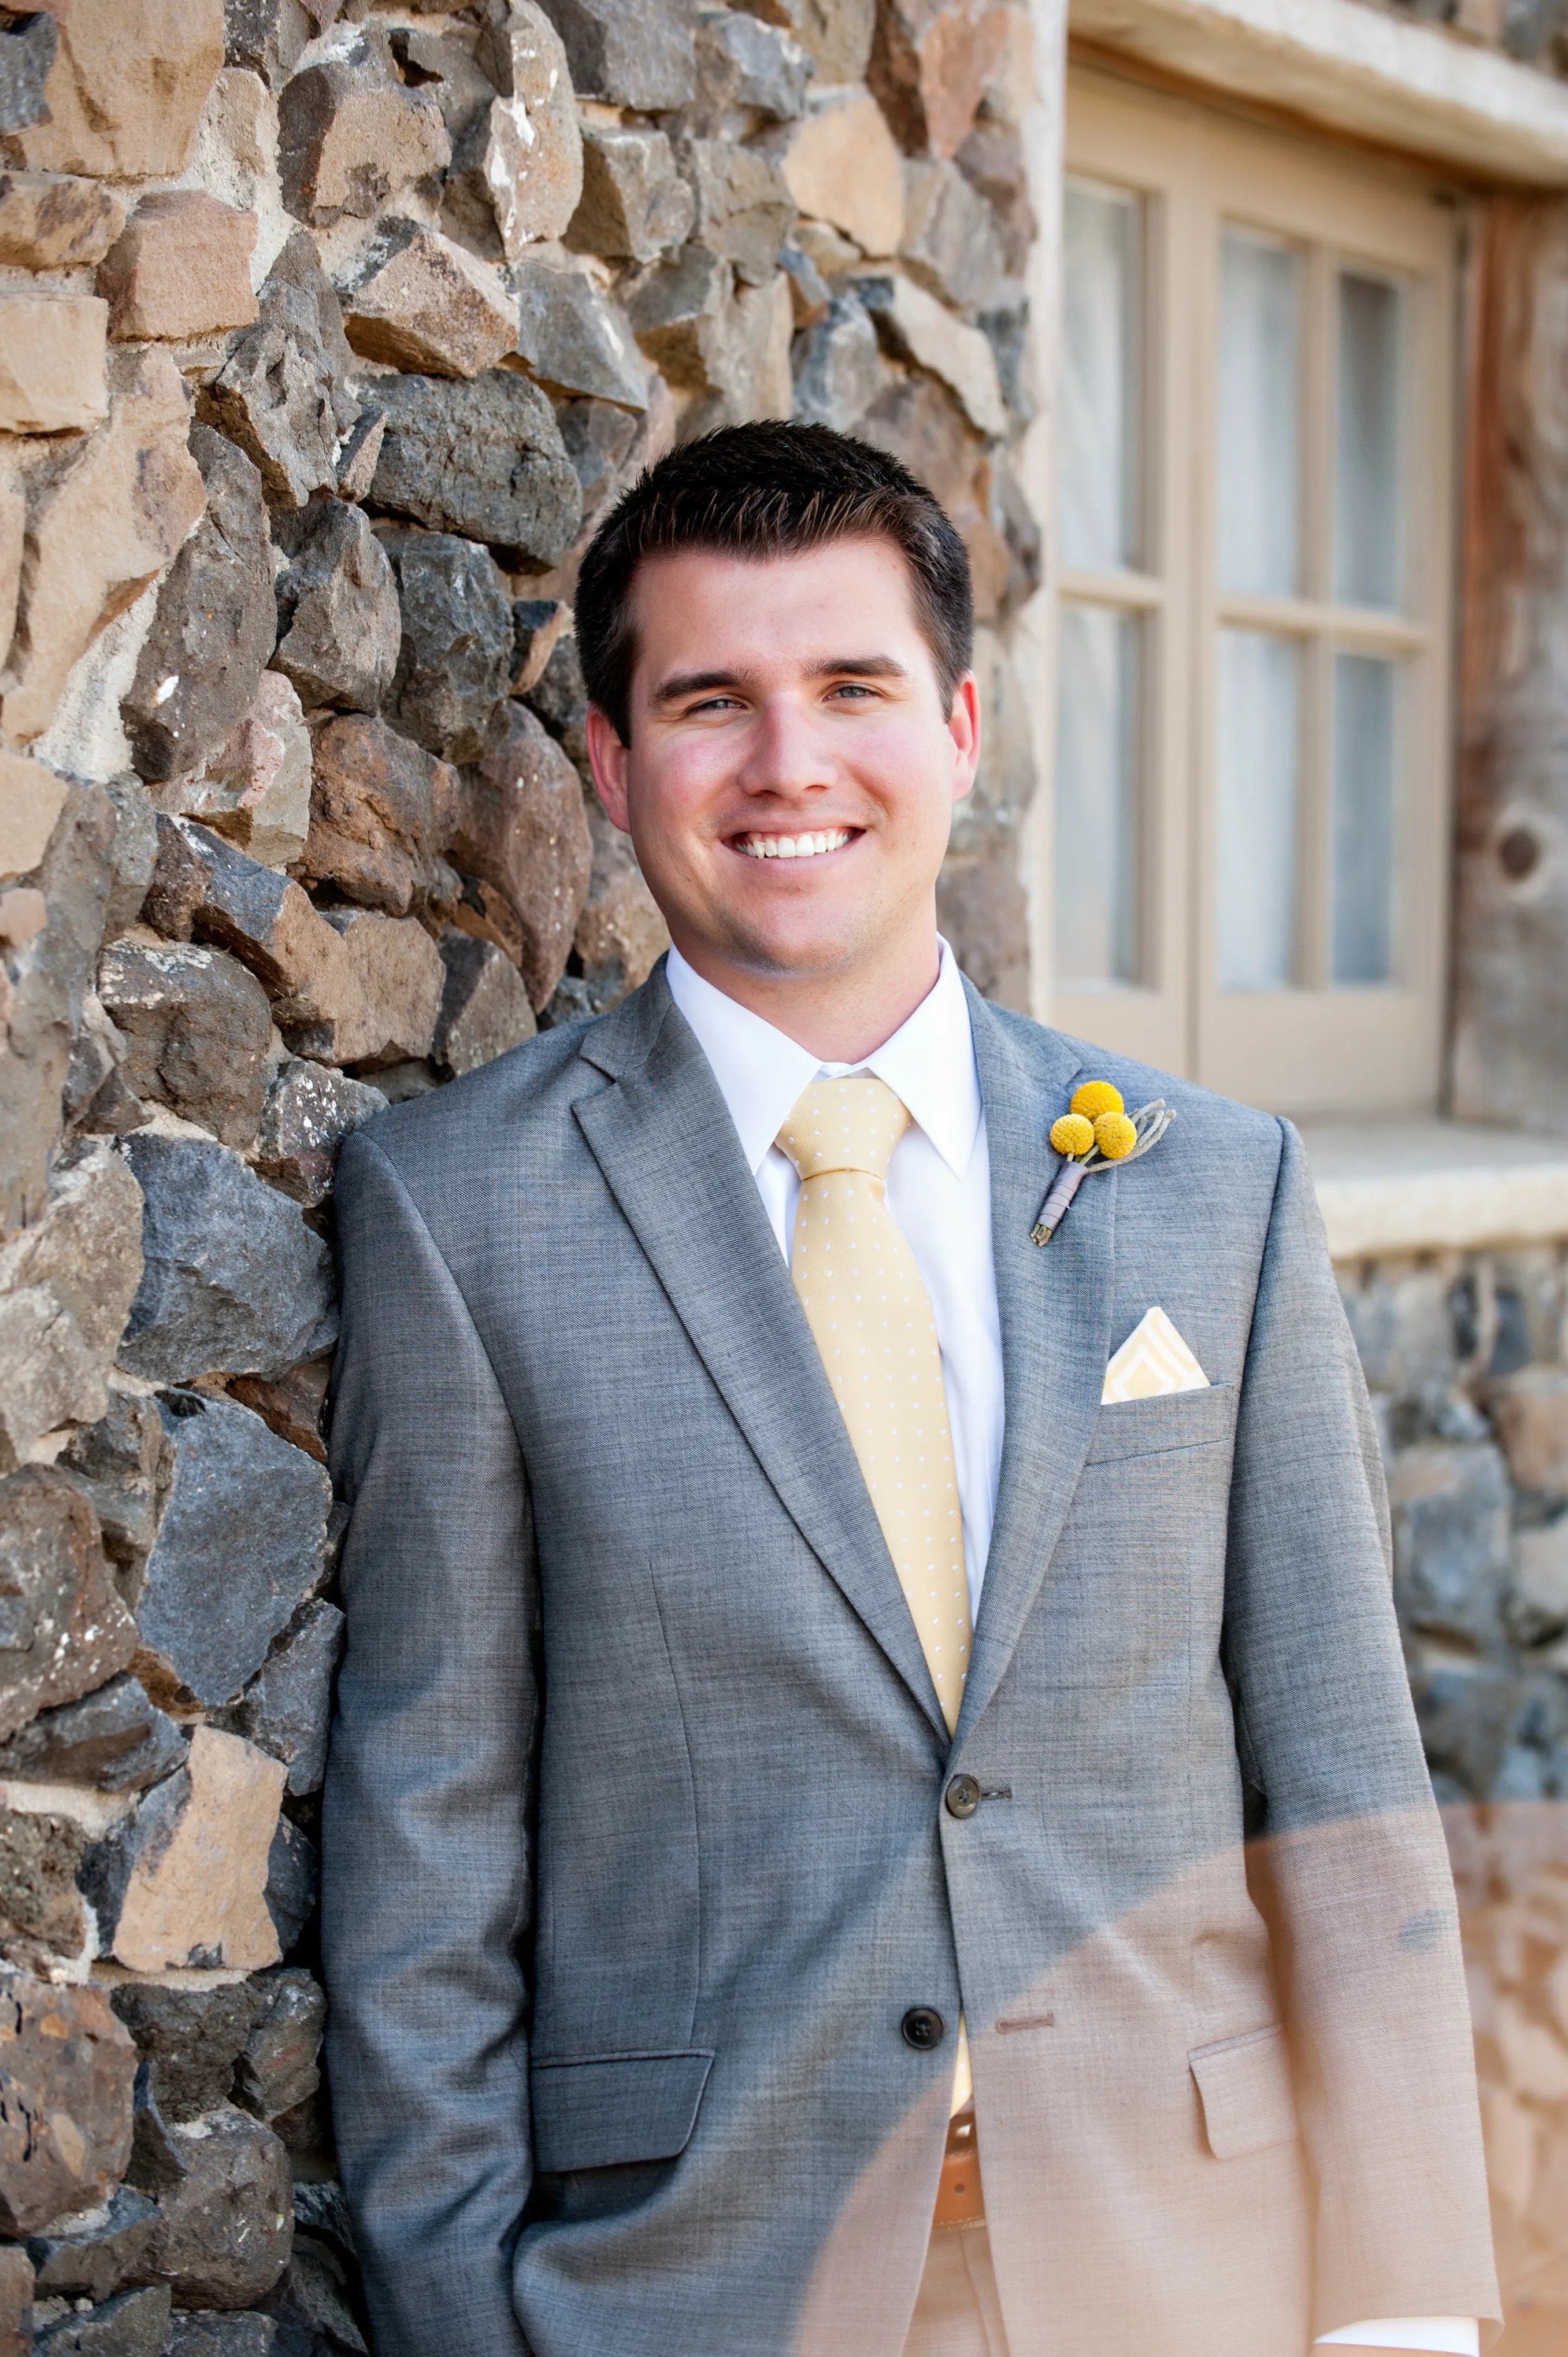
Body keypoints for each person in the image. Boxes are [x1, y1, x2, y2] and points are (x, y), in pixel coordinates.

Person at [321, 422, 1499, 2357]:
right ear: (614, 768)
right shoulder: (460, 1216)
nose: (788, 765)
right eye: (711, 701)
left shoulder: (1214, 1185)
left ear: (957, 726)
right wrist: (470, 2316)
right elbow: (428, 1843)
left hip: (1193, 2265)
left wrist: (1404, 2306)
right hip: (693, 2289)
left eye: (850, 688)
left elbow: (1342, 1777)